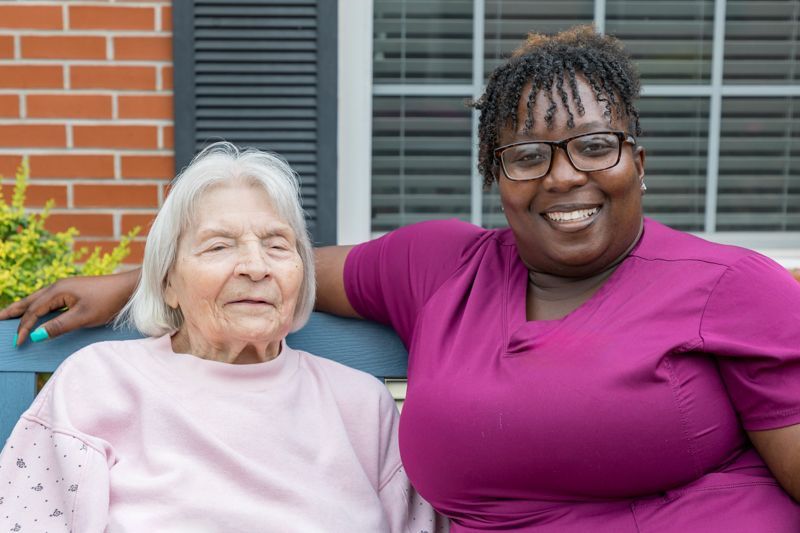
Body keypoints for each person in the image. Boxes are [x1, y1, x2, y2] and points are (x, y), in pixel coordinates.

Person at [3, 26, 800, 532]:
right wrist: (133, 281)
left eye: (596, 147)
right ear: (498, 174)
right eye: (528, 155)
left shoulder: (734, 287)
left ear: (638, 161)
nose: (564, 178)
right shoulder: (440, 266)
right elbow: (281, 264)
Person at [0, 143, 445, 532]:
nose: (256, 266)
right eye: (218, 246)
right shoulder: (99, 384)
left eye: (277, 245)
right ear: (168, 281)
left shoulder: (363, 407)